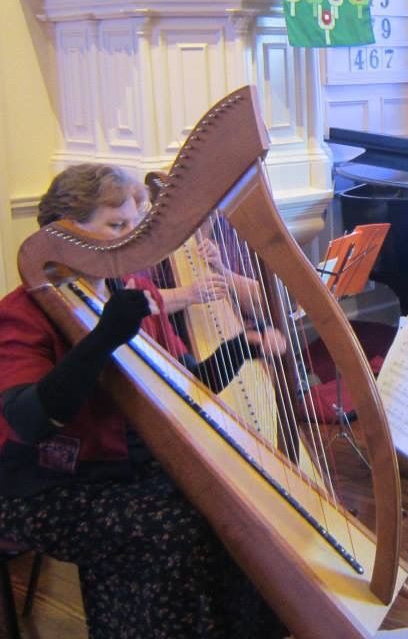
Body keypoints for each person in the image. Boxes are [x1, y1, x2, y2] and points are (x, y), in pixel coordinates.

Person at [0, 164, 286, 637]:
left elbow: (183, 384)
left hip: (130, 465)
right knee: (174, 530)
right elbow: (30, 421)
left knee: (238, 509)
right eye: (117, 225)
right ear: (62, 235)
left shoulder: (134, 293)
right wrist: (105, 335)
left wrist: (242, 347)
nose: (132, 239)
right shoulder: (22, 311)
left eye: (137, 226)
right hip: (50, 482)